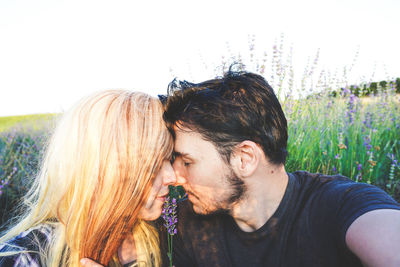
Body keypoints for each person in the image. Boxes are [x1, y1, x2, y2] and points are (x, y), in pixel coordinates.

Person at [159, 68, 400, 266]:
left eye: (187, 162)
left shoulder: (341, 205)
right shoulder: (182, 224)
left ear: (245, 158)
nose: (174, 177)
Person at [0, 90, 176, 267]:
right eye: (156, 162)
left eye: (171, 158)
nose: (173, 177)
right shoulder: (25, 257)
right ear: (106, 169)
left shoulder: (170, 238)